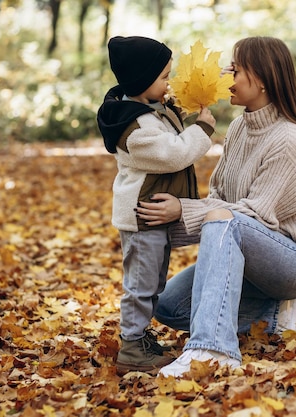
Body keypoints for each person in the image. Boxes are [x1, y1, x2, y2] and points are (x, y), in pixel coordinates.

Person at [134, 36, 296, 378]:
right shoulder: (240, 128)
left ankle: (212, 349)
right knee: (168, 306)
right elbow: (221, 199)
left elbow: (253, 216)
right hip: (249, 249)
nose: (226, 76)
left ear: (264, 79)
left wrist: (184, 211)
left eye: (235, 69)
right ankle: (272, 315)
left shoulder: (290, 139)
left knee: (226, 221)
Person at [96, 35, 216, 372]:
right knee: (141, 284)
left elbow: (172, 124)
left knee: (153, 282)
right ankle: (132, 346)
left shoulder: (152, 111)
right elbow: (174, 154)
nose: (169, 82)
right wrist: (203, 129)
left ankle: (140, 336)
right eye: (164, 76)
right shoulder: (135, 127)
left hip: (154, 216)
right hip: (141, 217)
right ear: (141, 80)